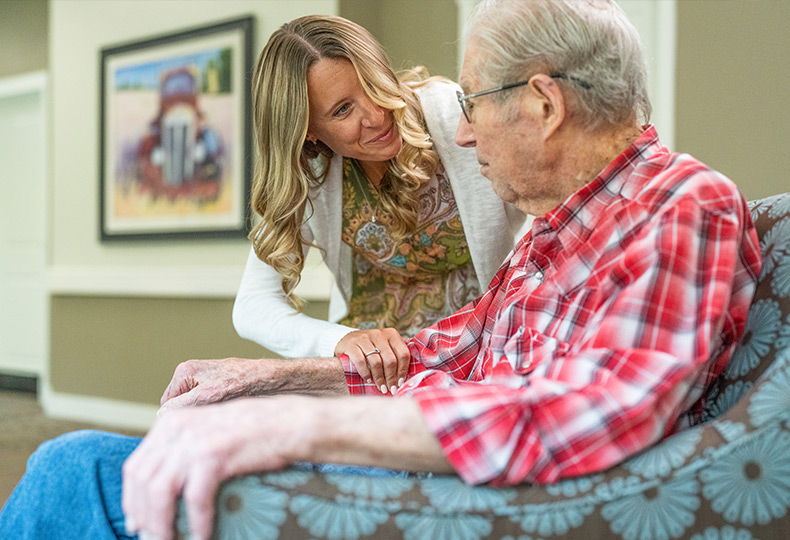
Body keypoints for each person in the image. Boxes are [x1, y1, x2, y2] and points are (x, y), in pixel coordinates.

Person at [0, 1, 762, 540]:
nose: (462, 131)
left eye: (475, 104)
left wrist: (293, 425)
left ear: (542, 105)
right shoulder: (557, 229)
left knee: (77, 473)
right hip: (432, 443)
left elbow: (592, 410)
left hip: (472, 490)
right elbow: (459, 344)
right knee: (82, 463)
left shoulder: (683, 204)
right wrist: (265, 382)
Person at [231, 14, 526, 394]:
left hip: (477, 363)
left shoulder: (456, 118)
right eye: (342, 110)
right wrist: (340, 340)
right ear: (308, 130)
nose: (375, 115)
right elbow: (253, 306)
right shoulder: (310, 175)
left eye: (374, 85)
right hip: (372, 379)